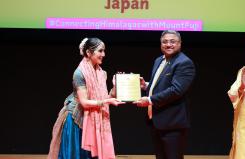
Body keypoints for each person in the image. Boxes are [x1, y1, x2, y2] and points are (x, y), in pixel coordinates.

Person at [47, 37, 124, 159]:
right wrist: (106, 101)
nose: (103, 54)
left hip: (93, 121)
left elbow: (104, 98)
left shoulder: (101, 73)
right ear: (88, 52)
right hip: (76, 120)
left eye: (104, 51)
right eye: (100, 51)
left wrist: (115, 87)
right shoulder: (79, 73)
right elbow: (84, 102)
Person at [134, 30, 196, 159]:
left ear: (180, 43)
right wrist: (146, 85)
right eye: (165, 42)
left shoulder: (184, 63)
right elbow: (162, 84)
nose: (168, 44)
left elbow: (176, 90)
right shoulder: (159, 60)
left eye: (172, 41)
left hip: (173, 123)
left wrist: (150, 100)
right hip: (157, 121)